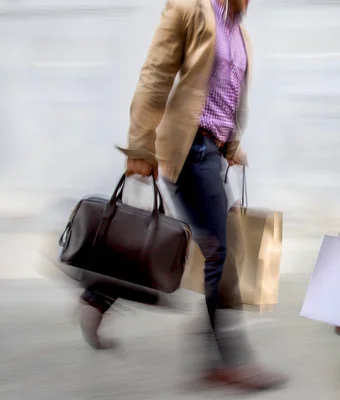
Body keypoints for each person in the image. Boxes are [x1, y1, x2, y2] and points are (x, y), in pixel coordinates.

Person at [79, 0, 288, 390]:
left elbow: (227, 95)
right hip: (188, 148)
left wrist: (231, 146)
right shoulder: (189, 7)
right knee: (220, 252)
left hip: (211, 149)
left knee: (200, 244)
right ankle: (225, 361)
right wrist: (140, 147)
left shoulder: (238, 28)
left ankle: (101, 294)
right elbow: (156, 75)